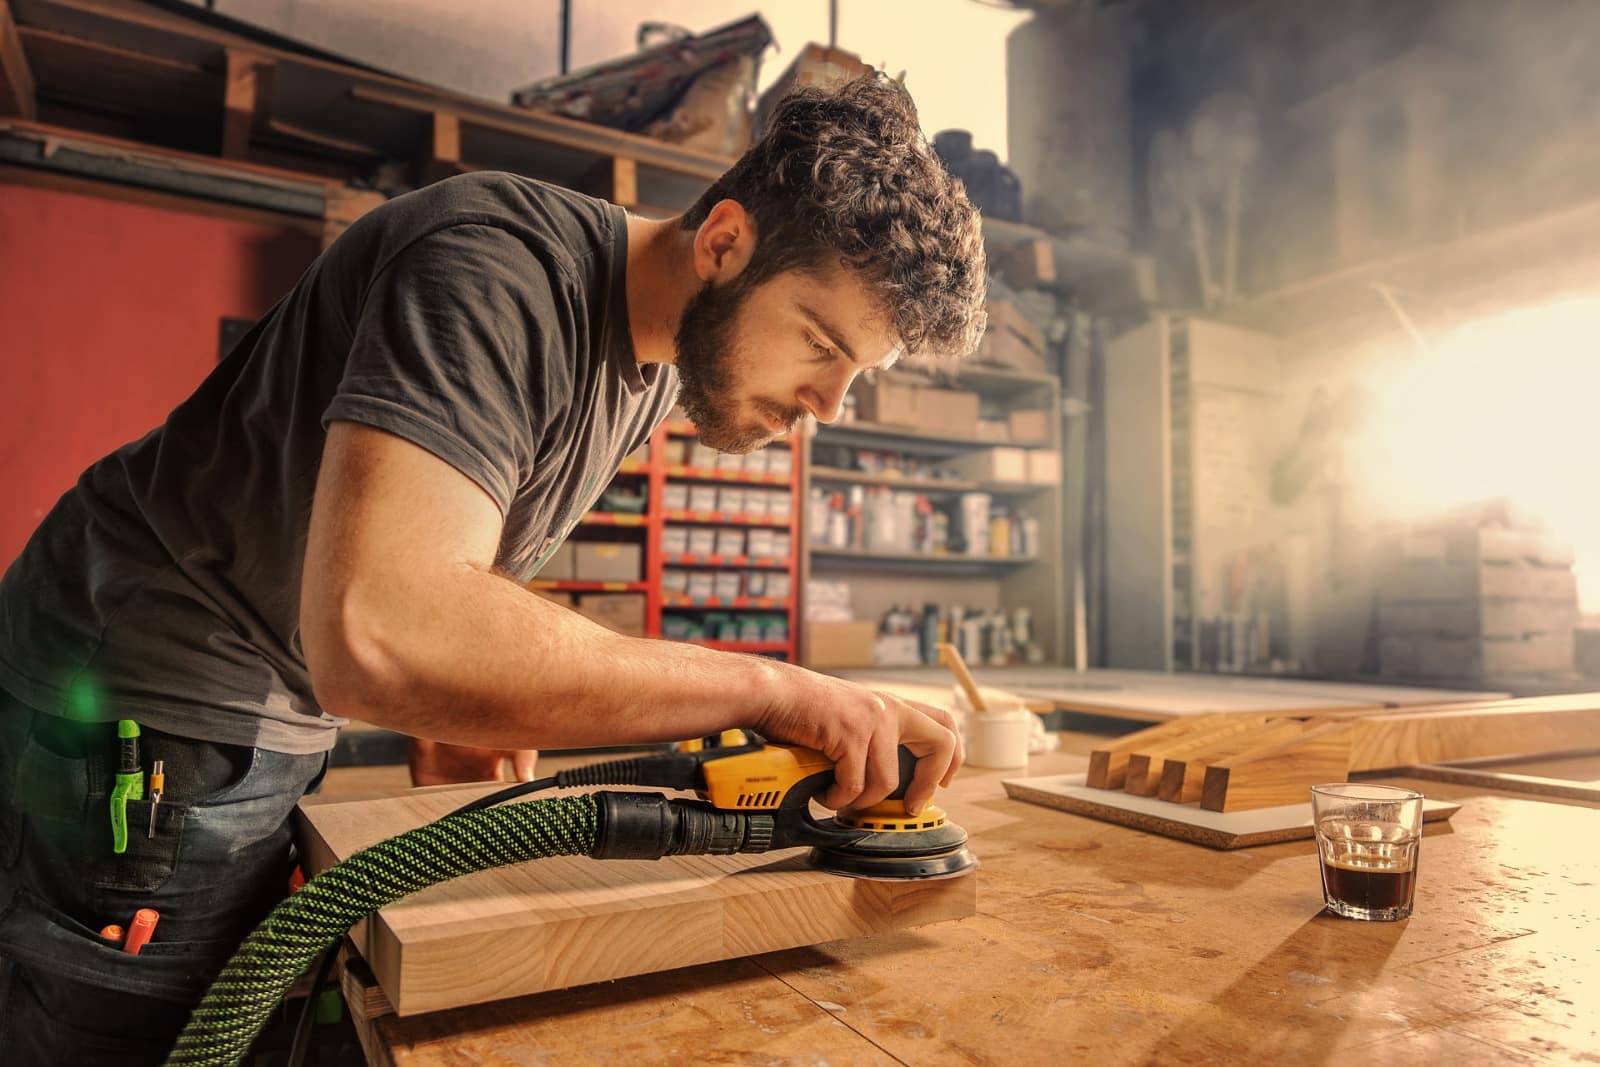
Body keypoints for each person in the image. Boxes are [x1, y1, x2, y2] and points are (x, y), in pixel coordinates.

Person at [0, 73, 987, 1061]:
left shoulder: (654, 362)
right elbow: (381, 629)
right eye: (820, 341)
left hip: (253, 692)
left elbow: (446, 571)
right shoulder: (497, 272)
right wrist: (771, 687)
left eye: (860, 371)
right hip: (145, 692)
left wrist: (469, 693)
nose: (826, 401)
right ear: (723, 241)